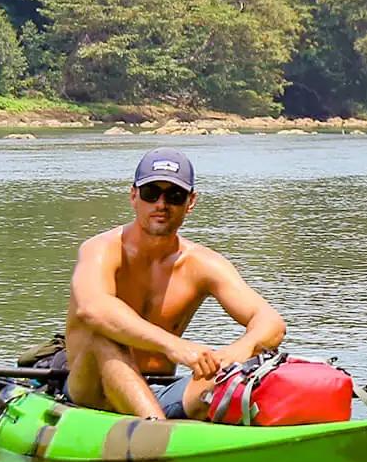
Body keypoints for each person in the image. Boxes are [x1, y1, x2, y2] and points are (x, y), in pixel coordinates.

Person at [63, 148, 285, 420]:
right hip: (91, 390)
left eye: (174, 196)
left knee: (242, 373)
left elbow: (270, 321)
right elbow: (93, 309)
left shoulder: (203, 263)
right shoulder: (100, 250)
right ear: (134, 197)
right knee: (104, 335)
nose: (161, 204)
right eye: (151, 193)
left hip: (162, 390)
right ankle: (157, 435)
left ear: (190, 202)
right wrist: (175, 346)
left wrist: (237, 352)